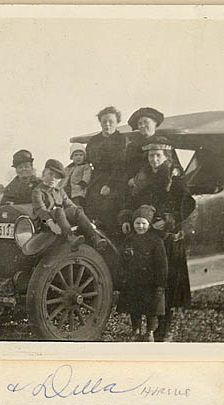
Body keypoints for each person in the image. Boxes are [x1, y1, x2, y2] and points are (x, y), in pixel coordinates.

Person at [128, 136, 196, 342]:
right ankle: (149, 329)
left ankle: (164, 330)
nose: (154, 159)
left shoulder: (174, 178)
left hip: (169, 239)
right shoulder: (143, 178)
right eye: (151, 155)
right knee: (151, 284)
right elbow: (133, 201)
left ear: (166, 156)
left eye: (158, 155)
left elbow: (188, 204)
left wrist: (169, 221)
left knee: (168, 285)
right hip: (148, 238)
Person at [32, 159, 106, 250]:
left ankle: (94, 237)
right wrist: (51, 224)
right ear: (44, 174)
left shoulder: (59, 190)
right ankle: (70, 237)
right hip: (45, 221)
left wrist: (86, 220)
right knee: (59, 210)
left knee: (76, 210)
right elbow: (40, 210)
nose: (53, 179)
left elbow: (69, 205)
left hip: (62, 219)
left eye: (57, 177)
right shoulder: (38, 191)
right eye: (50, 174)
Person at [119, 204, 167, 342]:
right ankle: (136, 330)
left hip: (150, 282)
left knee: (152, 309)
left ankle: (150, 331)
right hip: (134, 280)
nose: (140, 226)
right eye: (137, 223)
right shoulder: (130, 239)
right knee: (135, 308)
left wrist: (160, 284)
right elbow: (123, 259)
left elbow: (162, 264)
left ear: (149, 224)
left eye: (143, 223)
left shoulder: (156, 242)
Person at [84, 106, 128, 236]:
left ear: (117, 122)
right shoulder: (94, 140)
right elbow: (88, 160)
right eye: (104, 122)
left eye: (111, 121)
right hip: (97, 177)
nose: (107, 124)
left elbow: (121, 165)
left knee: (109, 209)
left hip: (116, 178)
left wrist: (110, 184)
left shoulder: (121, 139)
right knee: (90, 207)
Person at [125, 107, 183, 184]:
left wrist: (176, 170)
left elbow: (175, 164)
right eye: (140, 124)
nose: (142, 126)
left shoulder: (164, 142)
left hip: (162, 182)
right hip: (139, 185)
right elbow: (127, 168)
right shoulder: (132, 146)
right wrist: (131, 180)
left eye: (146, 122)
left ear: (155, 123)